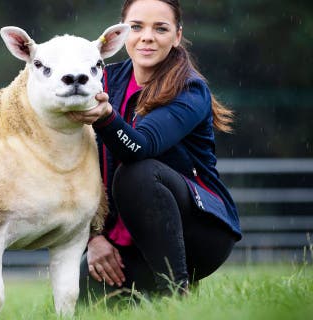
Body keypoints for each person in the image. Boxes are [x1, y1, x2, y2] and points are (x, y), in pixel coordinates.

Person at [66, 0, 241, 301]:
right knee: (84, 297)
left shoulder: (191, 89)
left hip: (200, 233)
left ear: (176, 36)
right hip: (124, 241)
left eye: (160, 28)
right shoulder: (102, 79)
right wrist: (93, 238)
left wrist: (107, 118)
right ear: (122, 35)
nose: (147, 36)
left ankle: (177, 294)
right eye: (136, 27)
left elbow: (140, 147)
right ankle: (148, 290)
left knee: (138, 172)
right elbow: (73, 164)